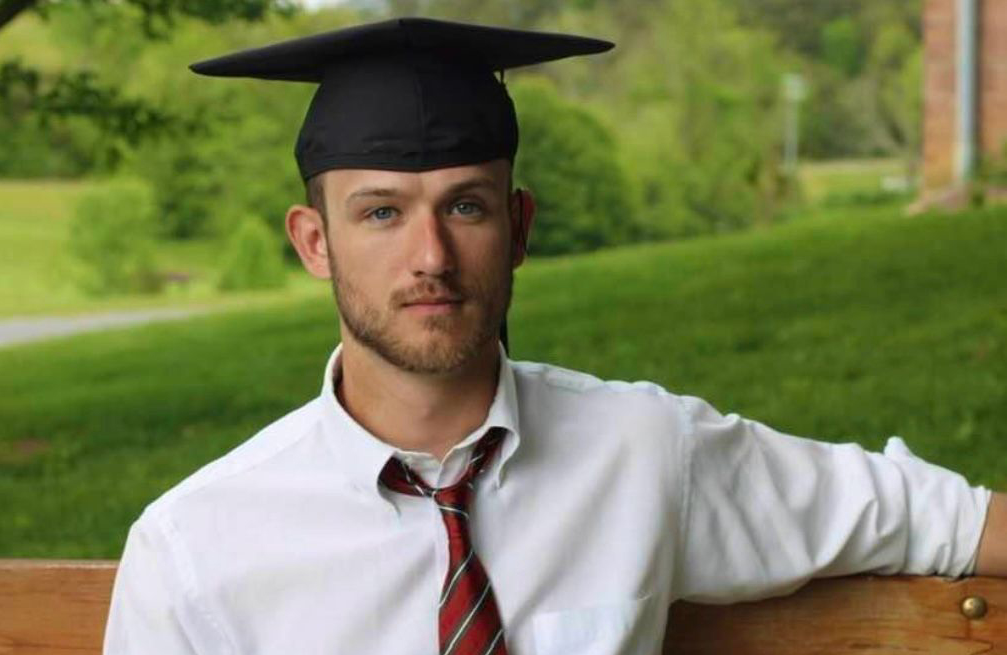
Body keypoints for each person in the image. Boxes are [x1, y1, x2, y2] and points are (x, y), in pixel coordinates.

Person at [103, 17, 1007, 655]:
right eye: (381, 213)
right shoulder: (198, 547)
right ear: (313, 241)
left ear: (521, 225)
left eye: (466, 205)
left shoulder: (648, 454)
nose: (431, 254)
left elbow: (950, 521)